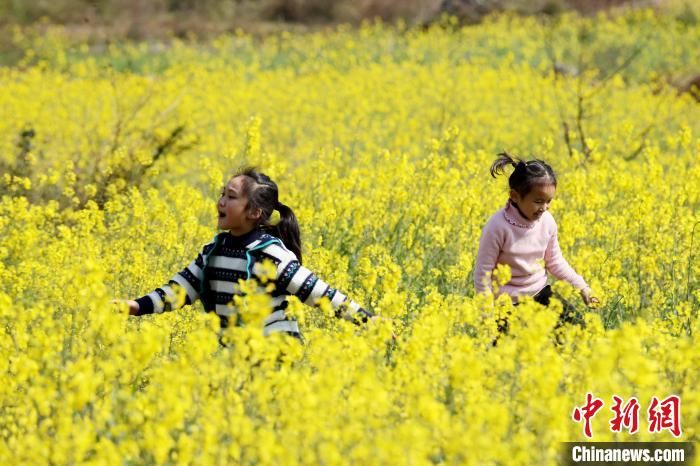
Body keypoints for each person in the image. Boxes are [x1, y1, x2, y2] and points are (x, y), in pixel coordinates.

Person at [120, 167, 374, 340]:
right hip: (238, 354)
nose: (221, 201)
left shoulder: (271, 255)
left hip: (275, 352)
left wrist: (366, 321)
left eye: (230, 197)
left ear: (254, 213)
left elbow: (319, 293)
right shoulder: (213, 252)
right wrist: (135, 306)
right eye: (222, 194)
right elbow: (181, 289)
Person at [473, 153, 598, 338]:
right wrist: (486, 317)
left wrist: (583, 288)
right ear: (514, 196)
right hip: (507, 304)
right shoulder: (497, 227)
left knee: (580, 333)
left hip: (540, 295)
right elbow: (483, 274)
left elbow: (555, 262)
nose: (544, 208)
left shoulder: (547, 222)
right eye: (538, 201)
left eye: (549, 201)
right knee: (505, 356)